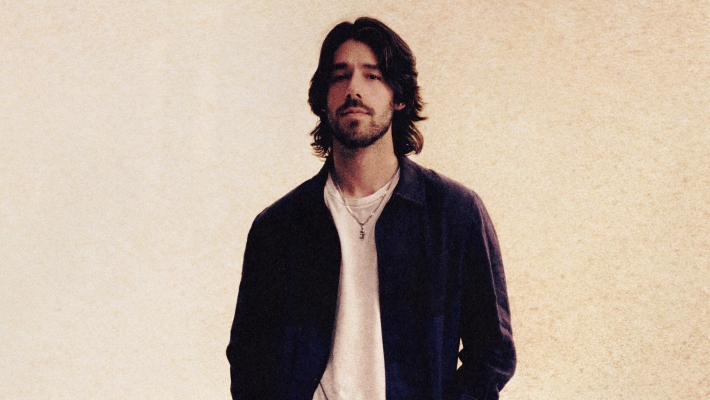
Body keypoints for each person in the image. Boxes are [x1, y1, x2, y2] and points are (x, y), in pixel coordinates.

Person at [227, 17, 516, 400]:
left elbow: (492, 352)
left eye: (372, 76)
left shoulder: (454, 213)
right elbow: (249, 359)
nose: (354, 89)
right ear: (323, 98)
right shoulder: (278, 227)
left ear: (399, 96)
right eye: (339, 76)